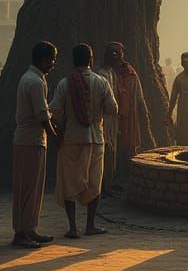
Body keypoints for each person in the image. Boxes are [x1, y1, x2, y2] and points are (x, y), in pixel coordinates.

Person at [52, 43, 118, 238]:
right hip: (95, 138)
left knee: (69, 182)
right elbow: (113, 108)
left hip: (71, 139)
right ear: (91, 60)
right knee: (94, 183)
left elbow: (54, 109)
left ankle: (73, 227)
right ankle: (90, 225)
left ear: (73, 61)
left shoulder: (65, 83)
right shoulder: (101, 82)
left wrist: (62, 125)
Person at [12, 42, 59, 248]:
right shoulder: (36, 82)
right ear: (43, 59)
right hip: (31, 140)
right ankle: (22, 232)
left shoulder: (30, 78)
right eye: (52, 60)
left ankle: (28, 228)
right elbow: (42, 116)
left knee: (30, 187)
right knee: (29, 188)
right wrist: (55, 136)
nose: (53, 64)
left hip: (27, 139)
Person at [103, 42, 151, 185]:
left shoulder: (130, 73)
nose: (114, 55)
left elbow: (139, 97)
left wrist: (144, 115)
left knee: (127, 146)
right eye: (111, 52)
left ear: (122, 54)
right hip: (110, 117)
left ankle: (125, 177)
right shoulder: (105, 73)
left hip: (129, 117)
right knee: (111, 147)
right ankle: (112, 179)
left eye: (117, 52)